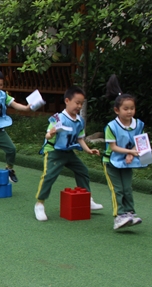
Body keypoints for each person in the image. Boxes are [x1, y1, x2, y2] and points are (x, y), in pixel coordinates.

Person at [34, 86, 103, 221]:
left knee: (82, 170)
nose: (79, 106)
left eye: (81, 103)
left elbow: (80, 138)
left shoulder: (80, 121)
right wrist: (50, 133)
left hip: (68, 152)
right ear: (67, 101)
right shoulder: (58, 118)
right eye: (77, 103)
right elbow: (47, 135)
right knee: (49, 176)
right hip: (54, 152)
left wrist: (88, 150)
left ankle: (87, 199)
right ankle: (39, 204)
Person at [103, 75, 145, 230]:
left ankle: (130, 213)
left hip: (127, 162)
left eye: (132, 108)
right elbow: (113, 147)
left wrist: (130, 153)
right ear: (117, 110)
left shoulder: (138, 124)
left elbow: (139, 142)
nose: (129, 112)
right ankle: (119, 216)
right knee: (118, 189)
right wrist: (130, 152)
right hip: (111, 162)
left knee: (127, 188)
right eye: (125, 109)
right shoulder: (111, 126)